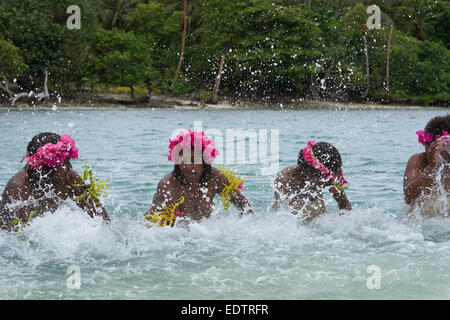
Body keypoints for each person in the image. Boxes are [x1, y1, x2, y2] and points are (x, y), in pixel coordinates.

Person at [0, 132, 110, 231]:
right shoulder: (19, 187)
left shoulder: (69, 179)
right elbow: (18, 234)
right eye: (64, 162)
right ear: (47, 164)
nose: (70, 166)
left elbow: (102, 218)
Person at [145, 129, 253, 227]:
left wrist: (248, 225)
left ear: (205, 160)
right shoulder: (169, 185)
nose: (187, 166)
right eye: (183, 160)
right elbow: (173, 225)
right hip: (154, 228)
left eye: (193, 160)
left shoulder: (216, 178)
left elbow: (241, 203)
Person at [272, 141, 351, 223]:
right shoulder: (286, 179)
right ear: (308, 170)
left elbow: (344, 204)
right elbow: (278, 212)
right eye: (321, 176)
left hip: (320, 217)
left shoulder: (328, 178)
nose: (324, 181)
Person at [403, 115, 450, 217]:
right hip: (423, 221)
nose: (429, 150)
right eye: (427, 144)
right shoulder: (419, 160)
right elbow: (409, 197)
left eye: (435, 147)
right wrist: (432, 167)